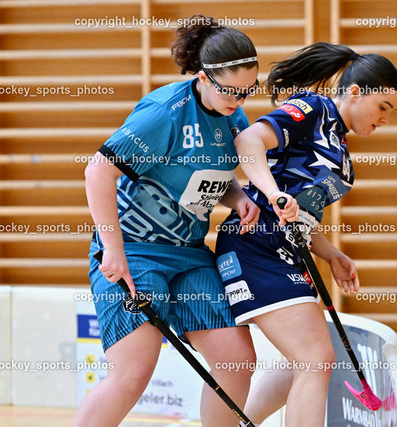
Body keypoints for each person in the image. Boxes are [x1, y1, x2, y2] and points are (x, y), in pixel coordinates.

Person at [75, 16, 261, 427]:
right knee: (132, 372)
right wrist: (113, 250)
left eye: (247, 90)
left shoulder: (233, 117)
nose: (238, 99)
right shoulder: (164, 113)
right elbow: (97, 172)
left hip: (190, 253)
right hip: (135, 252)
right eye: (230, 89)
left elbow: (212, 178)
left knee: (236, 361)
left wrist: (238, 198)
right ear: (204, 77)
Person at [215, 42, 397, 427]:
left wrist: (332, 254)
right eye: (383, 106)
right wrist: (273, 193)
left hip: (286, 252)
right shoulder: (314, 108)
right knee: (315, 358)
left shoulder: (343, 159)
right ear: (355, 92)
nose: (385, 119)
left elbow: (299, 220)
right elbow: (248, 141)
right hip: (254, 244)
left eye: (392, 112)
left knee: (303, 361)